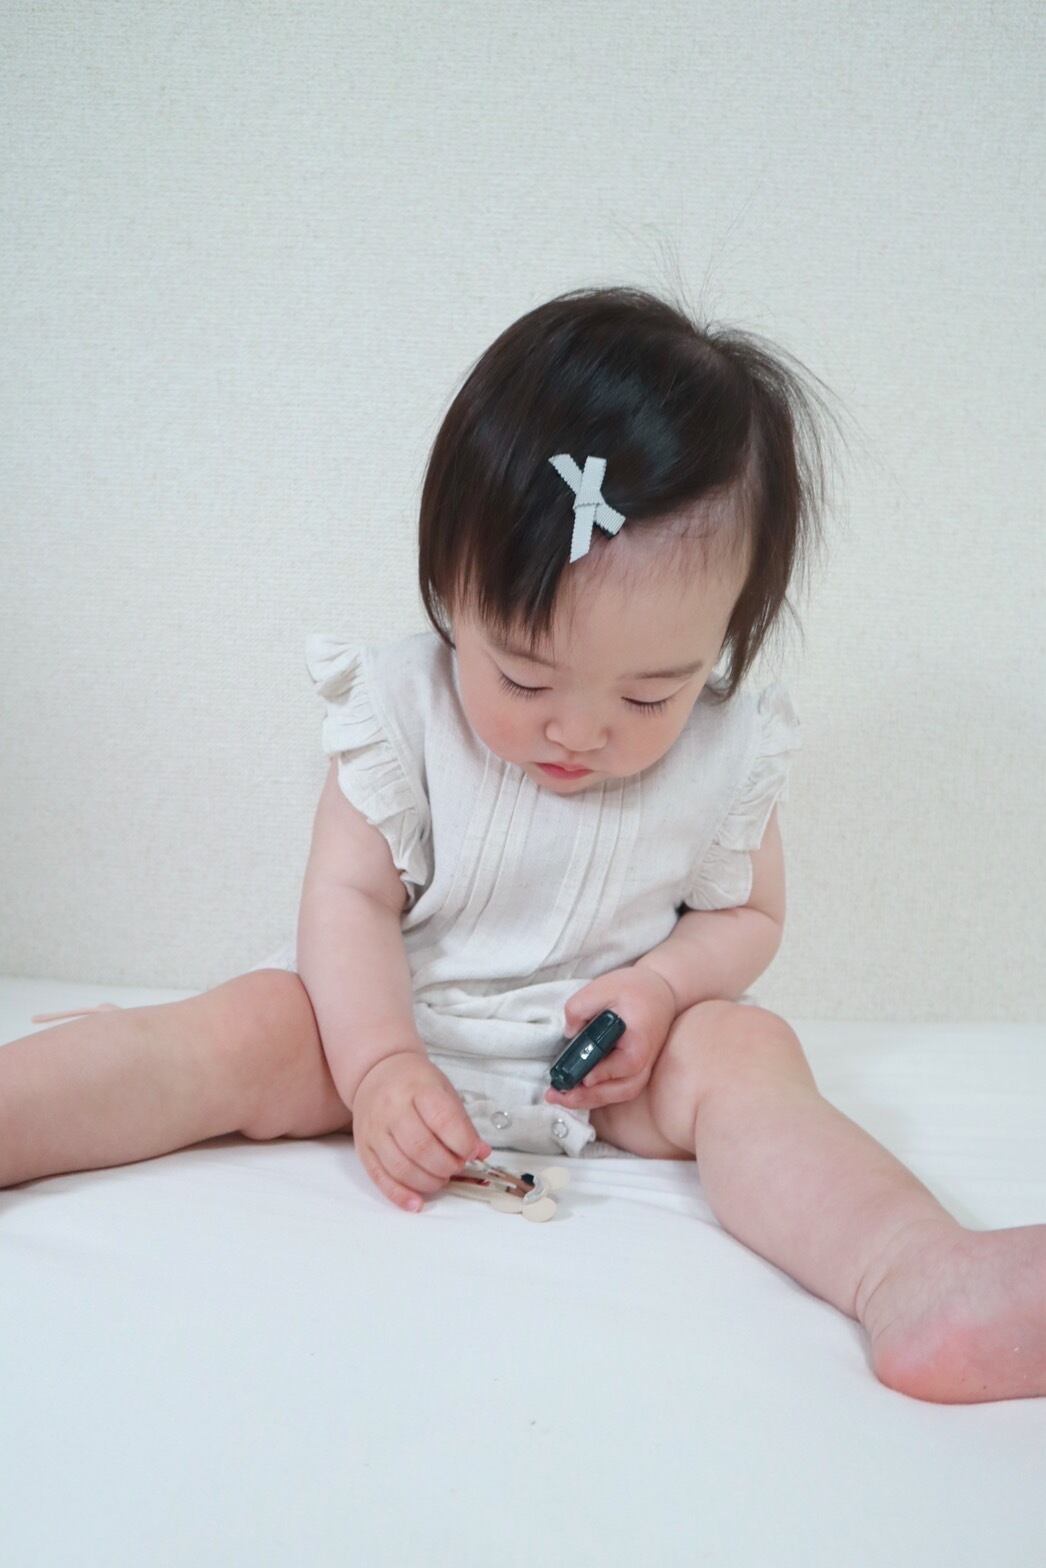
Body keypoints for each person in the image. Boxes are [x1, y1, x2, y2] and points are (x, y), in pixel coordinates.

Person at [3, 286, 1043, 1405]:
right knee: (235, 1031)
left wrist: (661, 987)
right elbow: (348, 899)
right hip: (385, 1021)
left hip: (607, 1073)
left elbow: (749, 915)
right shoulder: (399, 711)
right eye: (524, 676)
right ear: (450, 591)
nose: (580, 732)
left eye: (649, 694)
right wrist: (380, 1065)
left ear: (722, 638)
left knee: (747, 1053)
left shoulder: (723, 754)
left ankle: (908, 1270)